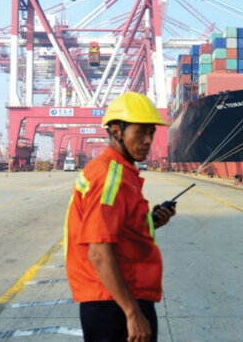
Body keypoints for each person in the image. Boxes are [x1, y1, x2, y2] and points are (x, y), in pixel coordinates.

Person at [65, 92, 176, 342]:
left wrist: (153, 221)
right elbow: (98, 251)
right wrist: (132, 312)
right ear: (116, 130)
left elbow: (119, 230)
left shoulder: (121, 173)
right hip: (114, 303)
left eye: (151, 133)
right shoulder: (109, 177)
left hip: (117, 297)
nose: (148, 141)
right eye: (141, 132)